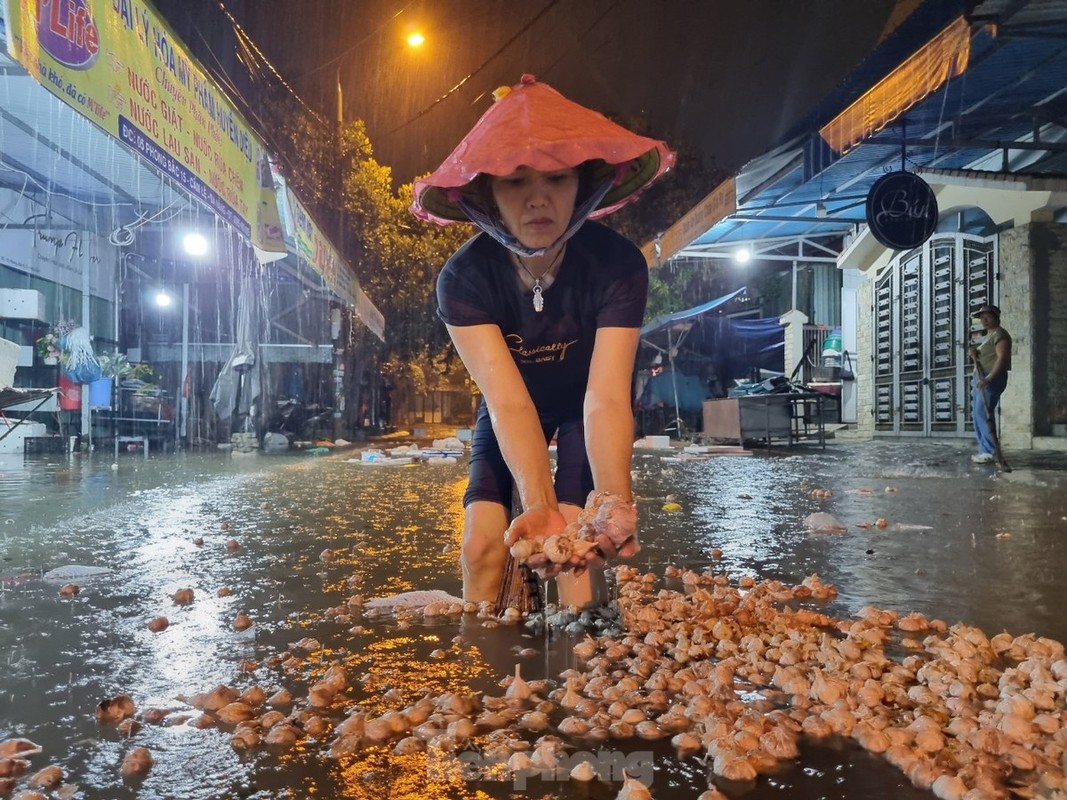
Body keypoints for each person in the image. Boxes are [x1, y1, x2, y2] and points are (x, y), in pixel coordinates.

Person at [411, 74, 675, 607]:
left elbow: (604, 397)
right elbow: (507, 402)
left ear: (584, 185)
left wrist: (614, 499)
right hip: (511, 406)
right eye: (515, 182)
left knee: (577, 552)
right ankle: (486, 671)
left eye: (556, 178)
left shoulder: (618, 265)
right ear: (485, 194)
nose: (538, 200)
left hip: (584, 408)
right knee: (481, 546)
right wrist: (535, 500)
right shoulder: (463, 280)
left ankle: (587, 673)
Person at [968, 304, 1012, 464]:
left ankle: (989, 451)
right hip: (981, 377)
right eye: (982, 318)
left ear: (996, 317)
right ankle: (984, 449)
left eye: (988, 317)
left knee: (982, 412)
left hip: (991, 378)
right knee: (977, 414)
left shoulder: (1000, 334)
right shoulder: (987, 336)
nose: (984, 320)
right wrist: (974, 354)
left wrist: (989, 378)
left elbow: (1001, 358)